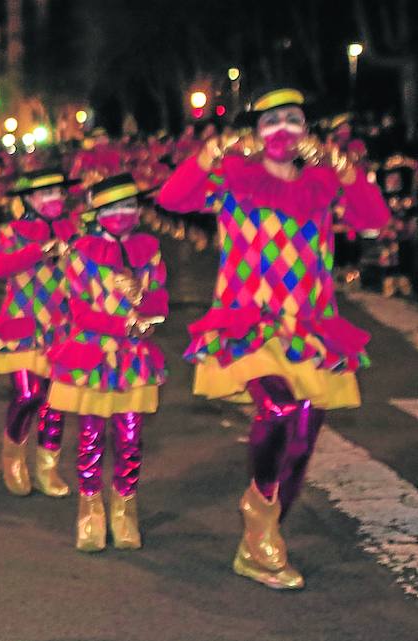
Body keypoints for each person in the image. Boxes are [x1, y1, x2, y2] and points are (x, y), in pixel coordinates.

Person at [158, 86, 390, 589]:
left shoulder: (325, 182)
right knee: (279, 409)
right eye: (271, 121)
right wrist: (208, 153)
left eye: (293, 120)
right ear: (256, 132)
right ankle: (258, 510)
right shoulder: (233, 177)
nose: (283, 130)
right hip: (250, 324)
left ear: (306, 130)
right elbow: (173, 198)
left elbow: (375, 221)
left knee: (304, 436)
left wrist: (347, 170)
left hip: (310, 326)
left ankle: (259, 542)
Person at [48, 174, 166, 552]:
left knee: (131, 438)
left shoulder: (150, 250)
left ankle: (124, 509)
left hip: (133, 358)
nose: (122, 214)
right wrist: (125, 323)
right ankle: (90, 509)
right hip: (93, 356)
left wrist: (143, 302)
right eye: (112, 208)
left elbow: (161, 305)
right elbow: (80, 311)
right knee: (91, 438)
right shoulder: (81, 253)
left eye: (129, 206)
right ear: (97, 214)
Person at [0, 167, 80, 498]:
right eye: (45, 194)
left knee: (56, 400)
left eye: (57, 193)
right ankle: (13, 457)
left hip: (61, 328)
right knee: (28, 395)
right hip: (22, 325)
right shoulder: (13, 232)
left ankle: (47, 466)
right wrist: (39, 251)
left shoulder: (75, 230)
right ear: (29, 199)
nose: (53, 200)